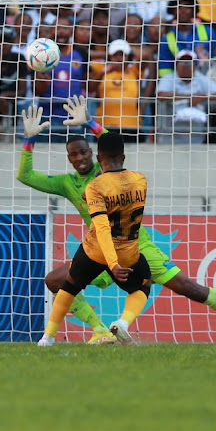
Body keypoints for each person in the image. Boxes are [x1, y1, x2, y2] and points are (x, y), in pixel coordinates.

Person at [19, 95, 216, 346]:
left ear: (95, 155)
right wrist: (29, 140)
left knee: (189, 288)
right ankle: (100, 330)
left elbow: (113, 144)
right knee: (55, 280)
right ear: (69, 159)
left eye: (84, 153)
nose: (79, 158)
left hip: (138, 245)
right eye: (74, 155)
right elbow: (26, 176)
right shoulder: (68, 184)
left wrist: (92, 123)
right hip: (100, 250)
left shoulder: (110, 171)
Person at [37, 131, 151, 346]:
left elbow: (101, 227)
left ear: (98, 159)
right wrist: (117, 262)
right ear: (124, 157)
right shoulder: (140, 180)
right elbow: (119, 189)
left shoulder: (95, 187)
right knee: (143, 285)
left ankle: (47, 337)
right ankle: (124, 323)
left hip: (95, 249)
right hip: (127, 250)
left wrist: (111, 263)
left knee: (70, 285)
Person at [156, 49, 216, 145]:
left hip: (196, 137)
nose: (185, 66)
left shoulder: (201, 78)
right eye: (182, 62)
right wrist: (190, 97)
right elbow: (161, 95)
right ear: (176, 65)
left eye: (189, 63)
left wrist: (203, 98)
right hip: (170, 137)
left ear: (195, 66)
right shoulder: (169, 77)